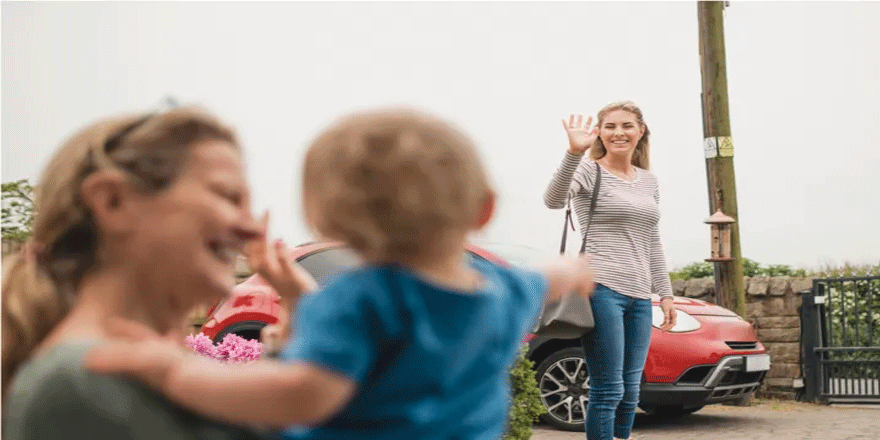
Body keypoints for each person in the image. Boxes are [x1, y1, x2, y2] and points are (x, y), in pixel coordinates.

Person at [86, 107, 596, 440]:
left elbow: (304, 394)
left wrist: (175, 371)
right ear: (483, 210)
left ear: (324, 218)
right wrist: (574, 269)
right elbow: (548, 275)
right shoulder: (504, 289)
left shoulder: (357, 298)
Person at [1, 107, 289, 439]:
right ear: (113, 202)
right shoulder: (80, 385)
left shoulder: (147, 376)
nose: (253, 230)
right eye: (228, 195)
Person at [543, 101, 679, 440]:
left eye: (627, 126)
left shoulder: (648, 181)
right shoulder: (589, 171)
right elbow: (553, 199)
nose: (619, 132)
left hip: (638, 295)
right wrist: (574, 153)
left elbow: (652, 241)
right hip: (601, 288)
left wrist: (665, 293)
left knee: (631, 392)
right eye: (611, 126)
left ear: (640, 131)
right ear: (600, 133)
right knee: (608, 389)